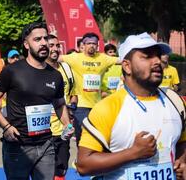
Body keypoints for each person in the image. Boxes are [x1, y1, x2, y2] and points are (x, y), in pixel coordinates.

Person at [77, 32, 186, 180]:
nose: (157, 62)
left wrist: (182, 161)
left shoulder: (176, 101)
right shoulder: (108, 107)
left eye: (158, 56)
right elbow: (84, 164)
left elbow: (181, 142)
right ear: (127, 66)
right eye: (147, 56)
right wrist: (133, 153)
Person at [0, 22, 72, 180]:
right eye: (37, 39)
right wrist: (6, 126)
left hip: (47, 144)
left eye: (45, 38)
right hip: (18, 146)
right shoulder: (12, 71)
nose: (44, 43)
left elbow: (59, 104)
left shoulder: (55, 75)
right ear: (26, 44)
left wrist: (67, 124)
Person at [58, 32, 120, 146]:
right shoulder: (75, 57)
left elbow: (121, 61)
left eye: (94, 44)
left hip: (97, 105)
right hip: (81, 105)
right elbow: (55, 59)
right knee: (82, 134)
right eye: (89, 43)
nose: (92, 46)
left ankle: (92, 159)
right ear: (84, 45)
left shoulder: (103, 58)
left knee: (96, 135)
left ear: (97, 46)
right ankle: (81, 160)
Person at [46, 34, 77, 180]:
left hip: (63, 131)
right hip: (42, 132)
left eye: (57, 45)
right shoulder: (37, 70)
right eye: (51, 45)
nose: (55, 49)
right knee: (44, 171)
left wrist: (72, 108)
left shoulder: (66, 69)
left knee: (60, 170)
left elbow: (73, 94)